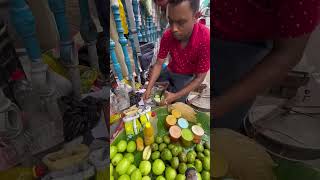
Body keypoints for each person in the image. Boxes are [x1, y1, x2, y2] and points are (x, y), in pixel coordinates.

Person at [212, 0, 320, 132]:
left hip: (244, 49)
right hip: (200, 28)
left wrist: (221, 105)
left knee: (218, 126)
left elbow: (288, 53)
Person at [143, 0, 210, 105]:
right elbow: (159, 63)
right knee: (153, 84)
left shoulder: (205, 38)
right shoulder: (167, 35)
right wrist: (149, 87)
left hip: (187, 76)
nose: (173, 29)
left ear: (195, 16)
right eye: (170, 21)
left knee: (176, 104)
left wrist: (175, 96)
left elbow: (199, 78)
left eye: (181, 22)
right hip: (170, 68)